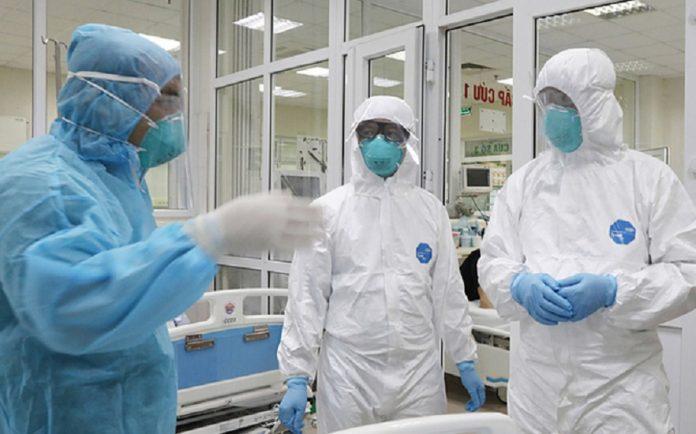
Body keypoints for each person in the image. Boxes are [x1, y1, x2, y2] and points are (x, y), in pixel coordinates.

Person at [0, 24, 320, 434]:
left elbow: (131, 276)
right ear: (110, 99)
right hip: (63, 414)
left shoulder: (121, 179)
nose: (175, 114)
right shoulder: (41, 182)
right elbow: (70, 305)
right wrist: (210, 234)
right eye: (165, 97)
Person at [478, 47, 696, 433]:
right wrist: (519, 284)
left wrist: (613, 291)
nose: (554, 112)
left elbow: (687, 271)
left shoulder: (648, 179)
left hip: (620, 389)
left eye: (565, 100)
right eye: (546, 100)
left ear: (597, 104)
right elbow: (493, 260)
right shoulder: (524, 183)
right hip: (537, 386)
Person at [277, 96, 486, 434]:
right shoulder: (328, 211)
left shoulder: (429, 211)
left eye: (390, 133)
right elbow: (306, 297)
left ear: (408, 142)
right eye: (368, 132)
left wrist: (465, 357)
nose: (378, 141)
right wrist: (297, 376)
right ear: (355, 140)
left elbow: (447, 291)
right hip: (349, 372)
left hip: (418, 371)